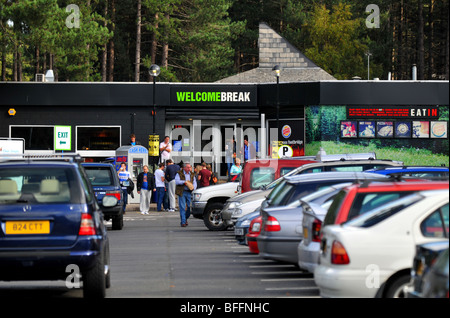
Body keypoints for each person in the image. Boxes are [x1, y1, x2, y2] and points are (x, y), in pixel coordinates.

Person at [175, 163, 197, 227]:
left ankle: (185, 218)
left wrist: (193, 188)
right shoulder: (179, 173)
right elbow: (177, 181)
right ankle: (183, 222)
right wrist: (184, 182)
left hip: (189, 192)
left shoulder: (192, 174)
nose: (189, 169)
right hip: (182, 192)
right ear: (184, 168)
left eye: (190, 167)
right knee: (182, 207)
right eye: (187, 167)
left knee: (189, 208)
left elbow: (194, 182)